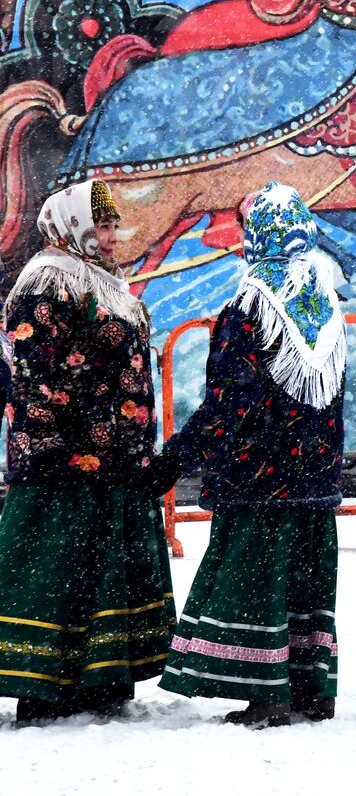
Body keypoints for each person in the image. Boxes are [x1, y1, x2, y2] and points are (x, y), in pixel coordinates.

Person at [159, 182, 346, 727]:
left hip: (261, 478)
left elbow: (228, 403)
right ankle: (314, 688)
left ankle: (266, 694)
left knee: (257, 584)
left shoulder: (250, 307)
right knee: (306, 585)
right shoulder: (323, 303)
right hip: (313, 478)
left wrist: (175, 459)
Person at [0, 181, 176, 725]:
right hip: (64, 465)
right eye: (100, 225)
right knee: (55, 572)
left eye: (111, 225)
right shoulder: (45, 282)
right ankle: (43, 684)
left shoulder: (102, 282)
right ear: (71, 225)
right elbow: (33, 371)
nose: (109, 235)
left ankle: (100, 677)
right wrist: (82, 429)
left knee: (99, 571)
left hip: (112, 465)